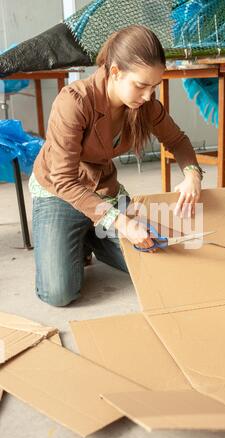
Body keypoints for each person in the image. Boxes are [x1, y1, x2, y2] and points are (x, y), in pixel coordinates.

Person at [29, 25, 204, 307]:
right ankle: (88, 232)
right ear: (115, 72)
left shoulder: (144, 105)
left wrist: (192, 175)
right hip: (60, 194)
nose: (148, 96)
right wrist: (121, 221)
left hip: (103, 191)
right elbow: (64, 180)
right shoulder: (73, 102)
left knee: (157, 256)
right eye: (141, 85)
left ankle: (93, 236)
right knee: (59, 292)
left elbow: (178, 141)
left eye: (154, 86)